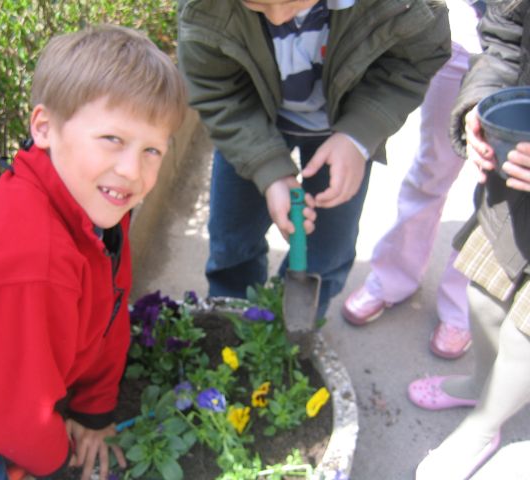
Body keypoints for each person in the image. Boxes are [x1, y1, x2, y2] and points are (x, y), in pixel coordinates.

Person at [0, 24, 188, 480]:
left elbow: (108, 313)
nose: (132, 170)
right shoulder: (31, 259)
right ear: (44, 128)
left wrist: (94, 414)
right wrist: (56, 463)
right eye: (112, 139)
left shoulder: (96, 206)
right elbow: (18, 418)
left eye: (152, 150)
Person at [177, 0, 451, 320]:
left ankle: (298, 328)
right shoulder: (206, 6)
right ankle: (232, 322)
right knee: (233, 239)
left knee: (328, 249)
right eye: (256, 4)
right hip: (247, 125)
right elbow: (217, 90)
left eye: (291, 2)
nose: (277, 18)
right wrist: (268, 169)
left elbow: (414, 60)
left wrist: (359, 135)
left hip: (346, 124)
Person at [407, 2, 530, 478]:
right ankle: (483, 382)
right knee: (483, 297)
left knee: (523, 334)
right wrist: (483, 101)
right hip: (515, 187)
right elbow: (504, 34)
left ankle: (484, 425)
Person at [341, 0, 484, 359]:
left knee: (496, 195)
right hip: (463, 36)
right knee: (431, 168)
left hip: (521, 66)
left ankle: (462, 304)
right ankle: (393, 277)